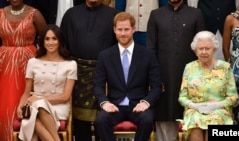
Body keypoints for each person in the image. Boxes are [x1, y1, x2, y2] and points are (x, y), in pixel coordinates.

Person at [93, 12, 161, 141]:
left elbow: (157, 86)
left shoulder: (148, 55)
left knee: (147, 120)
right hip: (114, 105)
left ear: (133, 29)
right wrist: (104, 102)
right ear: (114, 30)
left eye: (126, 29)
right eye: (119, 29)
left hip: (139, 105)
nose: (123, 33)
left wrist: (146, 102)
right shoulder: (105, 56)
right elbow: (98, 85)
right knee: (100, 121)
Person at [60, 0, 120, 140]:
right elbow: (63, 44)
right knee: (80, 121)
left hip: (106, 74)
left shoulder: (114, 15)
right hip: (78, 73)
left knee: (104, 117)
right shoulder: (71, 14)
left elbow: (121, 44)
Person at [146, 0, 205, 141]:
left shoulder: (196, 14)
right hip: (163, 75)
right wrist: (155, 79)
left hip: (190, 77)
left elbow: (202, 47)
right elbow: (151, 49)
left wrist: (200, 77)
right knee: (164, 112)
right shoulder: (156, 15)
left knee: (191, 114)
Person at [16, 24, 77, 141]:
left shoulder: (70, 64)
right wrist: (20, 106)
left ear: (60, 41)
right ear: (42, 41)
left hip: (58, 106)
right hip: (35, 105)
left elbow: (65, 97)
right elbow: (26, 92)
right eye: (47, 39)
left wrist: (40, 100)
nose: (51, 42)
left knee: (37, 109)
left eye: (54, 38)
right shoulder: (33, 62)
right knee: (34, 115)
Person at [178, 30, 238, 141]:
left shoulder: (225, 67)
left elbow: (233, 97)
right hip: (195, 110)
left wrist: (216, 106)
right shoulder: (189, 68)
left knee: (214, 125)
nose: (204, 52)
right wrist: (195, 106)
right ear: (195, 51)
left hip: (219, 110)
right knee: (195, 127)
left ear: (214, 49)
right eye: (201, 49)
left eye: (207, 48)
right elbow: (182, 97)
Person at [0, 0, 46, 140]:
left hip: (28, 63)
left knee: (25, 102)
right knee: (5, 105)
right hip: (4, 63)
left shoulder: (35, 14)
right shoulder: (1, 13)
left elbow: (46, 38)